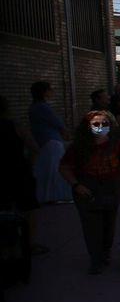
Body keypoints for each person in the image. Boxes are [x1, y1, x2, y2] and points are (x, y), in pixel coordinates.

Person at [58, 111, 120, 273]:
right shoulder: (78, 146)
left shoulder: (117, 144)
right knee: (91, 226)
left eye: (105, 124)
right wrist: (76, 185)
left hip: (111, 188)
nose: (101, 127)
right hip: (87, 189)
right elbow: (64, 168)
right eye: (96, 124)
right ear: (88, 126)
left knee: (109, 224)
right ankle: (95, 258)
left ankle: (105, 252)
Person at [0, 96, 43, 254]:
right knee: (29, 208)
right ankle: (30, 244)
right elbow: (34, 147)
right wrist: (29, 164)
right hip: (18, 171)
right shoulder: (16, 126)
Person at [28, 81, 72, 203]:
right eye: (50, 89)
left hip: (44, 141)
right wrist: (65, 132)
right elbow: (57, 122)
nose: (52, 91)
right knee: (55, 169)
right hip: (52, 141)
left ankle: (48, 195)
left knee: (47, 169)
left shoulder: (34, 107)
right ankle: (57, 195)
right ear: (44, 92)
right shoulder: (42, 107)